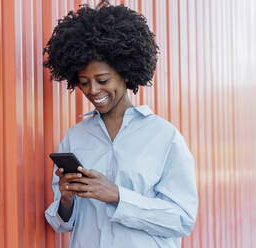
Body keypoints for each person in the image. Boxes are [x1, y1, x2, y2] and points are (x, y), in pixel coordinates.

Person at [43, 1, 198, 247]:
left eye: (102, 80)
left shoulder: (164, 136)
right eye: (84, 82)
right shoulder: (74, 138)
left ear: (125, 73)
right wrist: (66, 200)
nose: (93, 91)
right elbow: (61, 224)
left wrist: (118, 196)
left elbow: (181, 219)